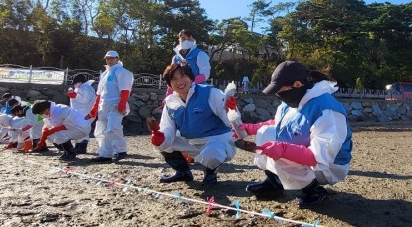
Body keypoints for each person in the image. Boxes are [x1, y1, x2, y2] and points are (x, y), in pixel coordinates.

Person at [234, 61, 353, 209]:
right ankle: (274, 182)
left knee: (281, 155)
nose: (278, 94)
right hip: (304, 151)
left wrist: (282, 150)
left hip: (329, 165)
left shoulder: (327, 110)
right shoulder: (292, 101)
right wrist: (250, 128)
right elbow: (278, 124)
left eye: (280, 89)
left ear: (297, 84)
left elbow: (319, 156)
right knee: (266, 132)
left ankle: (313, 189)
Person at [148, 63, 236, 185]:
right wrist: (160, 138)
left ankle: (210, 172)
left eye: (183, 76)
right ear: (169, 84)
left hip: (219, 143)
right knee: (162, 143)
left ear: (191, 77)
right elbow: (167, 129)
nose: (180, 82)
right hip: (193, 144)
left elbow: (230, 122)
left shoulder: (211, 93)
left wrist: (230, 110)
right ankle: (183, 172)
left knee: (211, 154)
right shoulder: (170, 102)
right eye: (174, 79)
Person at [88, 51, 134, 163]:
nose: (109, 60)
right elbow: (100, 93)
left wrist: (122, 103)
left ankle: (121, 150)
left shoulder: (122, 72)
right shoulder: (104, 74)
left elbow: (125, 89)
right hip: (103, 105)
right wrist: (94, 108)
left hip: (115, 104)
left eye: (112, 58)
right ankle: (105, 154)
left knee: (113, 127)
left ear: (118, 58)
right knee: (101, 130)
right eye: (107, 58)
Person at [66, 74, 96, 154]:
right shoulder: (81, 88)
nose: (75, 84)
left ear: (80, 82)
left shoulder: (86, 88)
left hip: (85, 112)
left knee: (82, 128)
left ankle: (82, 147)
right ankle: (78, 146)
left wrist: (75, 96)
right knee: (78, 128)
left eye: (75, 82)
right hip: (80, 112)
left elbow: (85, 100)